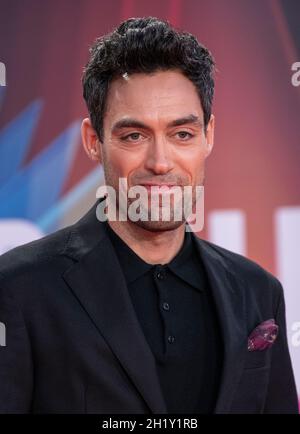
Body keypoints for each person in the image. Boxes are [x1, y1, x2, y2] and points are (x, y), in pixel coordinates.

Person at [0, 17, 298, 414]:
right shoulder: (18, 289)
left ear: (209, 135)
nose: (160, 162)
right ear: (94, 141)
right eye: (134, 136)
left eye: (182, 134)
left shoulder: (258, 291)